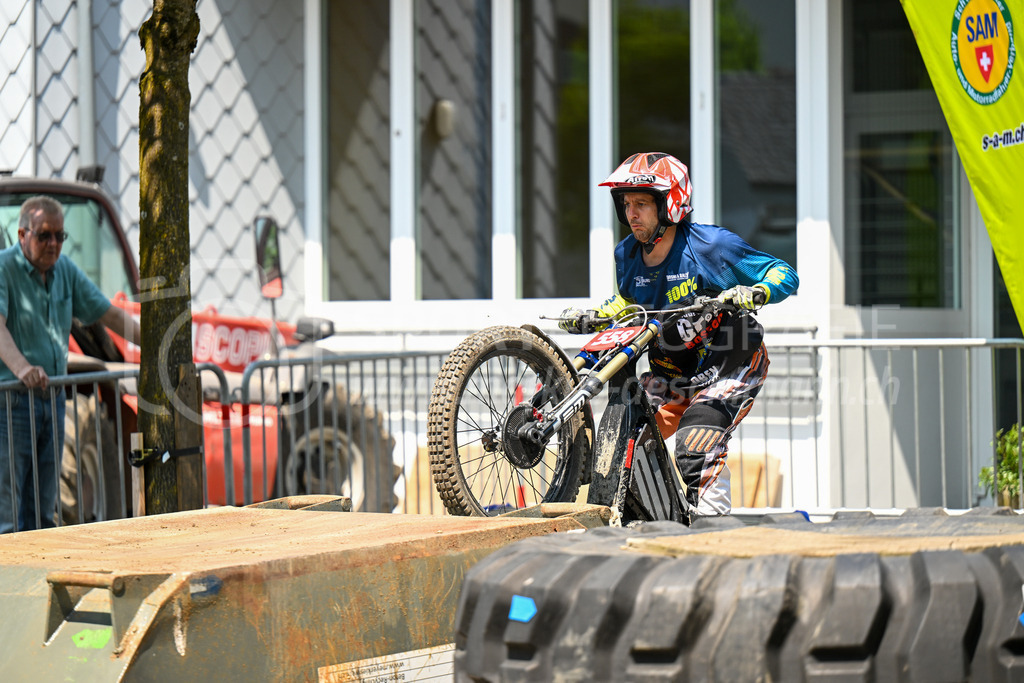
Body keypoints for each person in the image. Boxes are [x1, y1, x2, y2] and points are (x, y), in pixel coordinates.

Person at [560, 152, 799, 516]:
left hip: (732, 362)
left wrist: (757, 291)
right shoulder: (627, 254)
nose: (632, 214)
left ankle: (712, 525)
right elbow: (628, 304)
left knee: (696, 440)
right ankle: (661, 519)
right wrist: (597, 315)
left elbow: (784, 272)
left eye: (641, 203)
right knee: (626, 440)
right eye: (626, 204)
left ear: (670, 203)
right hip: (674, 372)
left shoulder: (710, 247)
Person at [0, 195, 140, 533]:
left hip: (52, 398)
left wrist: (158, 345)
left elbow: (106, 313)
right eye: (44, 235)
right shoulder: (4, 268)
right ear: (22, 235)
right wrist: (22, 369)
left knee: (43, 511)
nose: (53, 244)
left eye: (59, 236)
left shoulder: (65, 271)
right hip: (13, 403)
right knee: (9, 511)